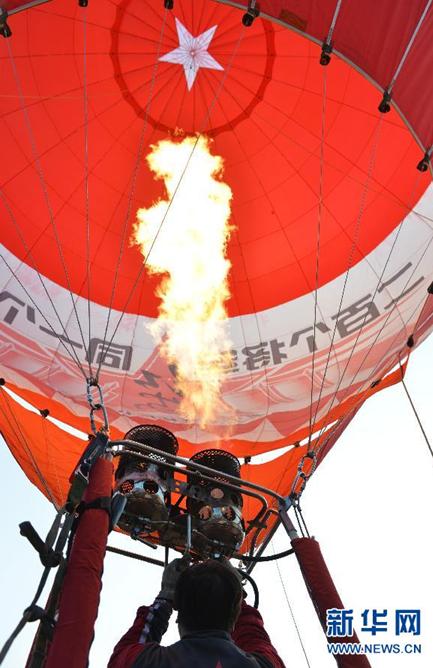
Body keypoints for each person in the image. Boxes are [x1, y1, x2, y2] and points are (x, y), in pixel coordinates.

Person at [108, 557, 286, 668]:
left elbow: (126, 651)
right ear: (235, 613)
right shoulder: (261, 665)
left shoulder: (148, 662)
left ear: (176, 605)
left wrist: (165, 596)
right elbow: (255, 637)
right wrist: (238, 597)